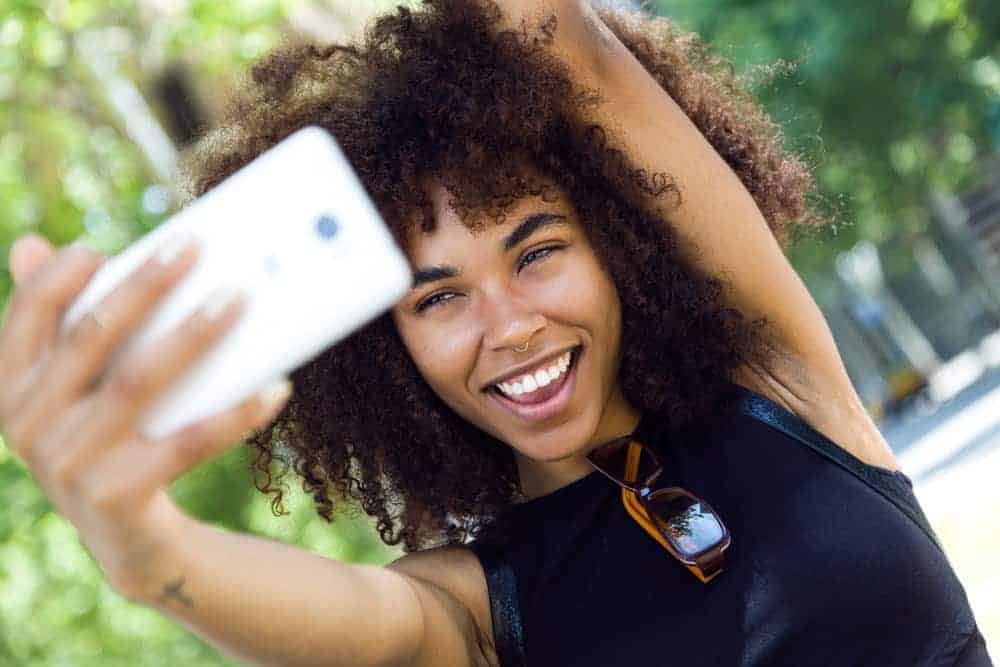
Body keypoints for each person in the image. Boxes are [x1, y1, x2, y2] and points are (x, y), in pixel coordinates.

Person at [1, 0, 992, 665]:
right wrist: (146, 551)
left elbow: (549, 34)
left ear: (618, 238)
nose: (509, 324)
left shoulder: (777, 380)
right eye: (438, 298)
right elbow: (360, 625)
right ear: (387, 351)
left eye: (536, 250)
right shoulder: (477, 611)